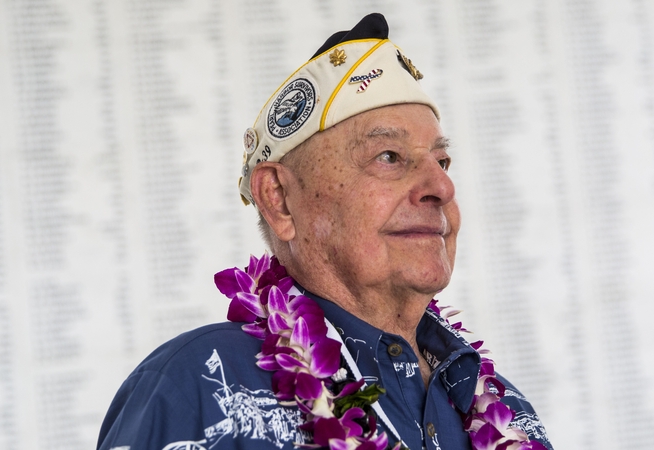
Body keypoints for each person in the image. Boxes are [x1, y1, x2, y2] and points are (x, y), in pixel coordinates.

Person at [97, 13, 552, 450]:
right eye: (389, 157)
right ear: (279, 199)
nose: (442, 187)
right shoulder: (199, 384)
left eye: (442, 160)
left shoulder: (505, 409)